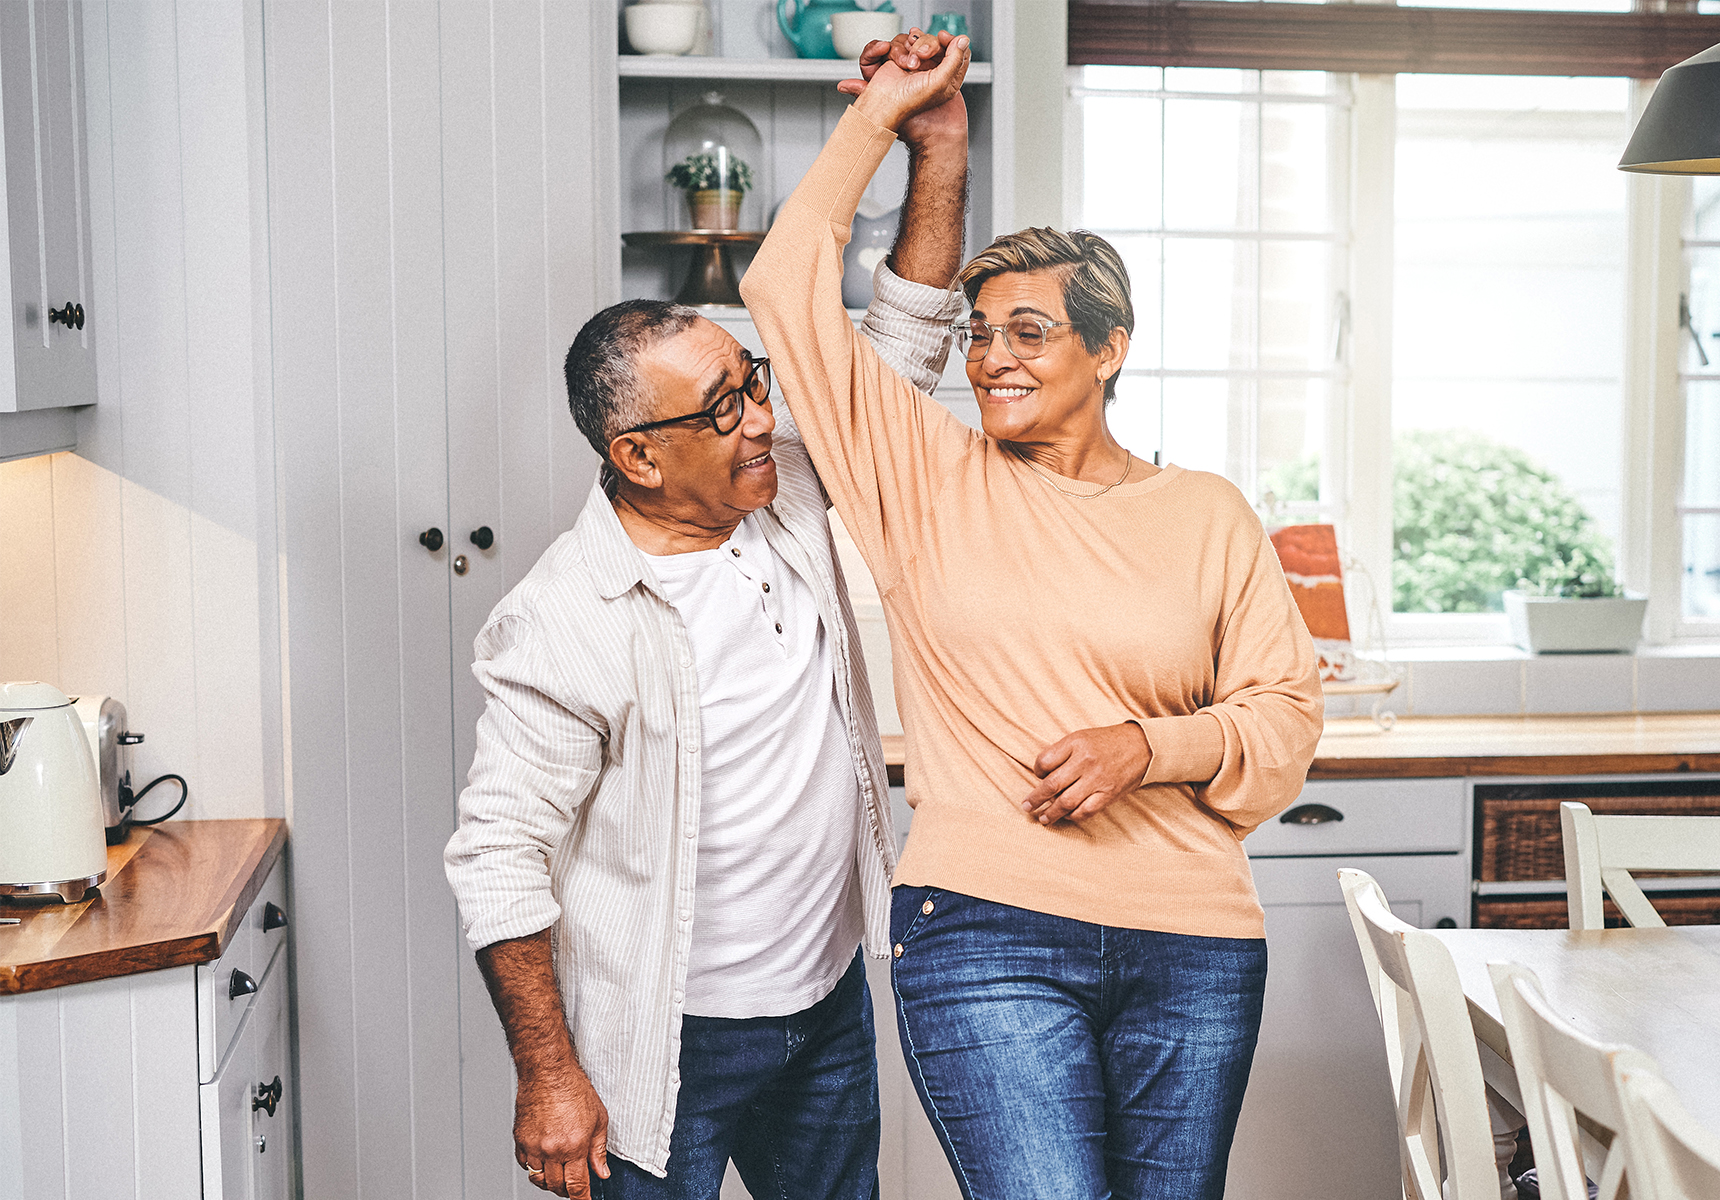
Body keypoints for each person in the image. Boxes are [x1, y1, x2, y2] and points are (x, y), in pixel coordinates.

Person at [741, 33, 1325, 1200]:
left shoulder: (1205, 512)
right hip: (985, 932)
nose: (991, 361)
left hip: (1195, 942)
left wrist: (1148, 747)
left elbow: (1284, 719)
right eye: (980, 334)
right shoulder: (922, 477)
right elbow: (782, 290)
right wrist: (896, 125)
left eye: (1028, 332)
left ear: (1110, 350)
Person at [440, 49, 970, 1198]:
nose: (759, 418)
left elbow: (905, 352)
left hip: (827, 1013)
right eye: (722, 405)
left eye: (755, 380)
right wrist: (549, 1077)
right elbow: (497, 858)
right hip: (659, 1042)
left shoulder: (777, 493)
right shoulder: (562, 620)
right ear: (636, 455)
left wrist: (938, 150)